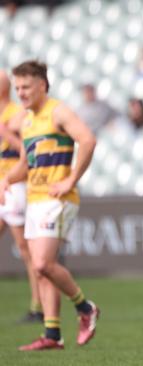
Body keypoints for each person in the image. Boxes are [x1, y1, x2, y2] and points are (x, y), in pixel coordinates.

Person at [1, 60, 99, 351]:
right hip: (35, 199)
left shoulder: (58, 111)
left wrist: (70, 179)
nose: (21, 93)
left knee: (43, 263)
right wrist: (7, 180)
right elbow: (27, 164)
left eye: (26, 87)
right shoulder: (28, 120)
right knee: (42, 268)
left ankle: (85, 308)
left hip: (57, 199)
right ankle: (52, 334)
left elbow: (88, 140)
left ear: (42, 85)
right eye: (17, 87)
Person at [0, 69, 42, 323]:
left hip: (14, 185)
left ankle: (38, 306)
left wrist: (6, 134)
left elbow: (27, 150)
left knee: (25, 249)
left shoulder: (15, 115)